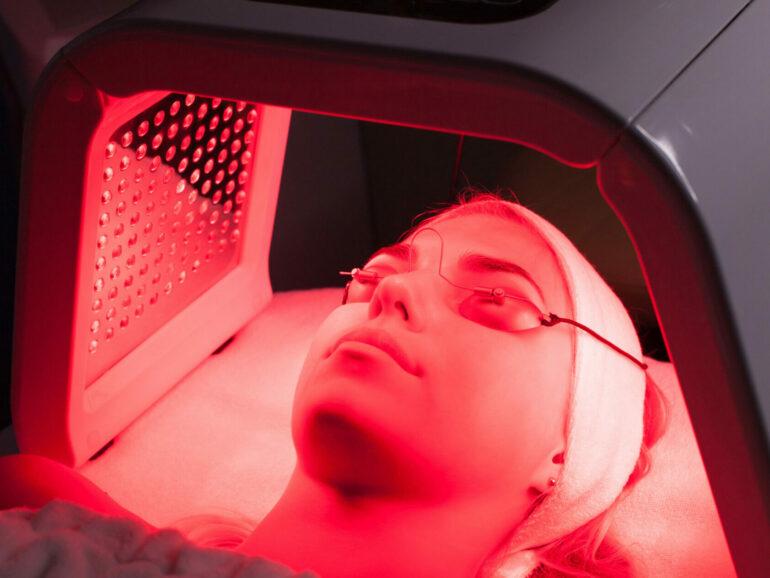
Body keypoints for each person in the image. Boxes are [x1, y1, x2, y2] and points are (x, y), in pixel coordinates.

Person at [0, 193, 666, 578]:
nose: (391, 292)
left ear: (570, 450)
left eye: (495, 297)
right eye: (372, 277)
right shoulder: (55, 510)